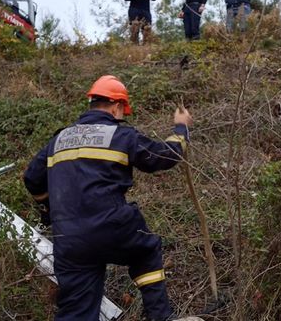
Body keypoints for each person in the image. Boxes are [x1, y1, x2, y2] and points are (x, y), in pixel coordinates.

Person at [24, 75, 201, 321]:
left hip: (69, 239)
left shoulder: (59, 140)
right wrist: (181, 128)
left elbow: (32, 179)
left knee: (76, 310)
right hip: (110, 225)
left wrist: (48, 210)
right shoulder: (121, 135)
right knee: (145, 250)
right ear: (116, 107)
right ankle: (160, 317)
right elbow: (163, 157)